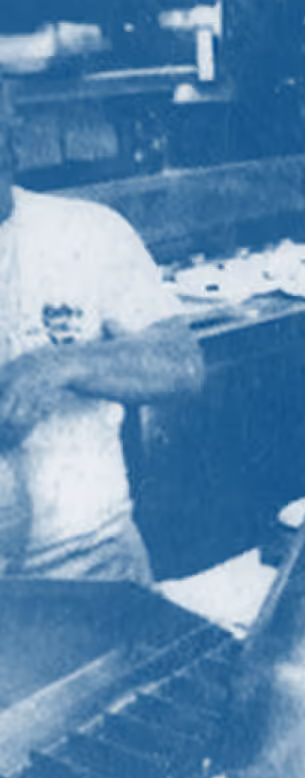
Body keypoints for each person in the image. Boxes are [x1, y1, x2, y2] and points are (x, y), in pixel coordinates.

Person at [0, 115, 205, 584]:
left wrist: (60, 364)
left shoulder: (84, 232)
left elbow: (183, 363)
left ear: (11, 145)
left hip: (94, 561)